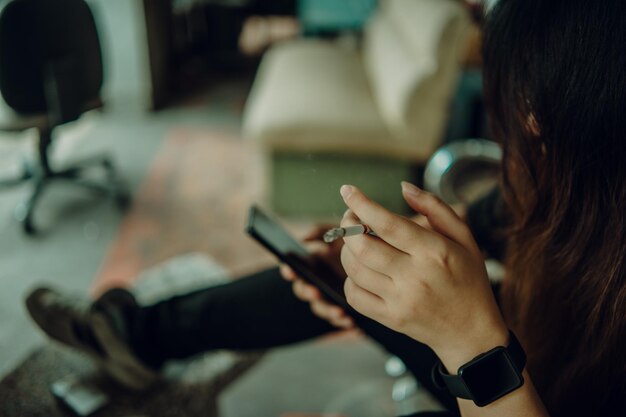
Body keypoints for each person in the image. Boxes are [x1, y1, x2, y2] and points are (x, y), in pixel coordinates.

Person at [25, 0, 625, 416]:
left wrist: (472, 343)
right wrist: (386, 265)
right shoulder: (554, 176)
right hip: (514, 352)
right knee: (337, 273)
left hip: (522, 395)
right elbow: (484, 225)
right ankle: (134, 335)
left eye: (537, 106)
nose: (522, 123)